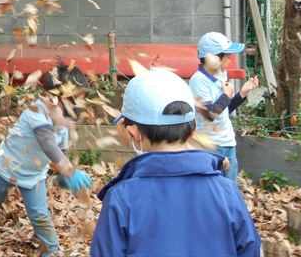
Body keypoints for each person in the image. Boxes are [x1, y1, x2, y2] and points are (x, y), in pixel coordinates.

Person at [90, 69, 261, 257]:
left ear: (133, 133)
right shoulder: (227, 192)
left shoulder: (120, 199)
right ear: (192, 130)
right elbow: (249, 249)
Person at [0, 67, 93, 256]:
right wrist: (69, 170)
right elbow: (47, 142)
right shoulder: (36, 112)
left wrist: (61, 173)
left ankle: (51, 249)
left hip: (33, 176)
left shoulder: (64, 123)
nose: (77, 104)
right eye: (74, 99)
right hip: (6, 167)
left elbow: (60, 149)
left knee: (40, 214)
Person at [189, 32, 259, 184]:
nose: (230, 58)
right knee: (213, 192)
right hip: (212, 147)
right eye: (227, 55)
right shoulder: (198, 81)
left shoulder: (220, 77)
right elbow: (209, 115)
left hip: (228, 143)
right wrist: (226, 95)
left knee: (229, 192)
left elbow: (224, 111)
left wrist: (242, 93)